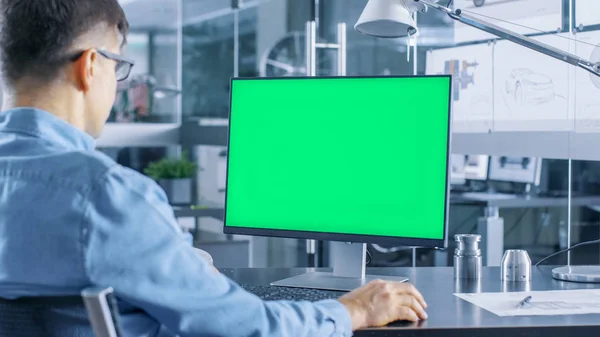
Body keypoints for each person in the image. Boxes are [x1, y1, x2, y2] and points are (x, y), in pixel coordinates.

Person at [0, 1, 428, 336]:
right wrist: (355, 308)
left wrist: (179, 263)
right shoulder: (106, 195)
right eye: (119, 68)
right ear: (91, 65)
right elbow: (247, 329)